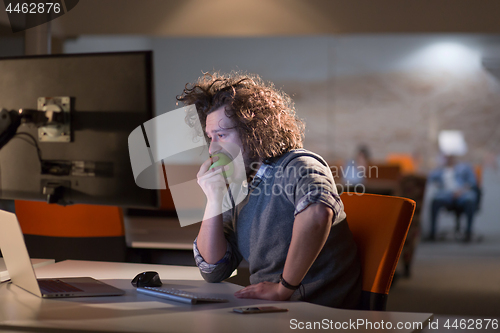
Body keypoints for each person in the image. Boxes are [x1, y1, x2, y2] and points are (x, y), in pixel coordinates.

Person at [177, 72, 361, 309]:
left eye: (222, 135)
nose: (213, 148)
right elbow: (214, 269)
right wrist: (213, 199)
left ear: (253, 133)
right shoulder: (238, 184)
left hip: (315, 310)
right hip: (273, 310)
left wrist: (284, 288)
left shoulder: (300, 165)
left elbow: (317, 213)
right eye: (210, 137)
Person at [428, 154, 478, 242]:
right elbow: (429, 178)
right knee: (435, 200)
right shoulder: (440, 170)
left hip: (462, 194)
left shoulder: (464, 168)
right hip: (446, 195)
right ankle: (432, 232)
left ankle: (468, 232)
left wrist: (461, 191)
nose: (449, 158)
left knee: (470, 200)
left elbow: (472, 182)